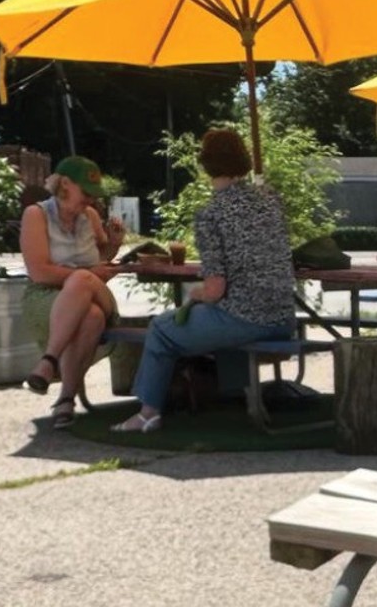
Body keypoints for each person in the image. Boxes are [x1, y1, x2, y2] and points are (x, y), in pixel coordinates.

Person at [111, 129, 295, 433]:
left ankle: (148, 413)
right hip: (283, 317)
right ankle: (239, 396)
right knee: (221, 321)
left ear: (205, 164)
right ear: (244, 159)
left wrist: (196, 295)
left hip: (246, 319)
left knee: (161, 329)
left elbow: (215, 289)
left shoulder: (210, 214)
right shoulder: (271, 200)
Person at [20, 156, 125, 429]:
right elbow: (39, 272)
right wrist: (87, 275)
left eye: (94, 195)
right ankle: (66, 400)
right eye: (86, 193)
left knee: (82, 281)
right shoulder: (36, 214)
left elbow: (101, 258)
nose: (91, 200)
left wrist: (113, 245)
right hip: (47, 295)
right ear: (65, 185)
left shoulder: (90, 217)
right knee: (90, 317)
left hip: (95, 292)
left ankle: (48, 360)